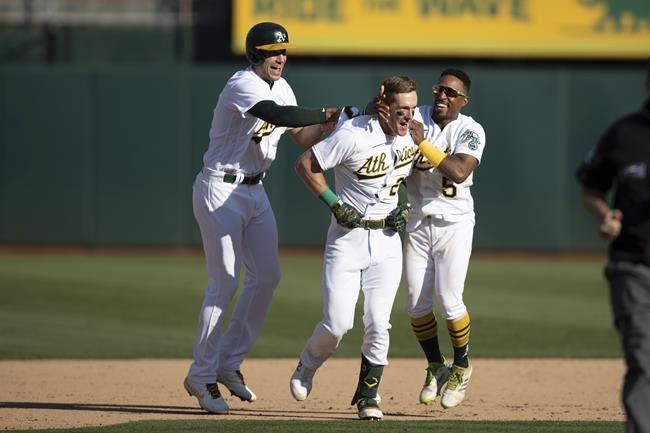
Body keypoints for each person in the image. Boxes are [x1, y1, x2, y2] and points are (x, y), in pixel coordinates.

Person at [183, 21, 341, 415]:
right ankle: (201, 374)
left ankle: (227, 363)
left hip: (255, 190)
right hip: (220, 188)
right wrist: (325, 110)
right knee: (225, 282)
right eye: (273, 52)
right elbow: (276, 113)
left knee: (268, 276)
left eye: (284, 51)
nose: (280, 58)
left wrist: (329, 125)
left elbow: (300, 135)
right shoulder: (241, 84)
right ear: (256, 55)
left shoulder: (283, 85)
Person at [288, 76, 419, 420]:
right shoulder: (353, 134)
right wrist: (333, 202)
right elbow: (305, 165)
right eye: (402, 109)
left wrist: (404, 206)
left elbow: (404, 179)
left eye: (413, 108)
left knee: (379, 321)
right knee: (337, 324)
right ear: (384, 104)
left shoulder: (414, 135)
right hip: (347, 239)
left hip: (388, 241)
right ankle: (307, 365)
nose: (408, 116)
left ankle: (369, 396)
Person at [404, 68, 486, 409]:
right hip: (418, 222)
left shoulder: (470, 129)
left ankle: (462, 367)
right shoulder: (416, 116)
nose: (442, 95)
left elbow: (458, 170)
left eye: (451, 93)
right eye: (440, 89)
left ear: (462, 101)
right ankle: (437, 366)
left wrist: (421, 141)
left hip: (454, 222)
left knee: (450, 300)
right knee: (416, 306)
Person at [576, 64, 650, 433]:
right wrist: (605, 215)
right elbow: (591, 188)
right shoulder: (625, 134)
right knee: (643, 358)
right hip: (634, 265)